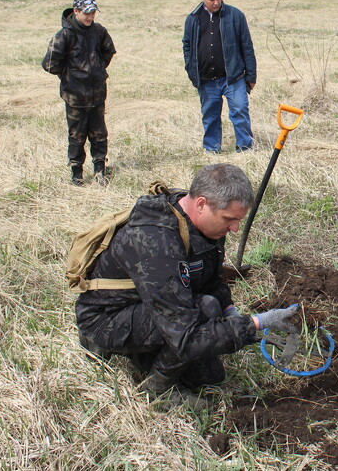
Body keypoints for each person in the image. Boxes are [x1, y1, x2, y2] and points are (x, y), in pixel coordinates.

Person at [75, 163, 297, 407]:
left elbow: (209, 279)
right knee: (205, 310)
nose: (234, 229)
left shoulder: (202, 223)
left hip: (153, 303)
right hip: (107, 317)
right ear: (201, 204)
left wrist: (230, 312)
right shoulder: (156, 242)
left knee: (208, 378)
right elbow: (185, 336)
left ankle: (145, 354)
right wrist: (256, 323)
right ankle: (157, 389)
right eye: (229, 220)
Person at [42, 0, 116, 186]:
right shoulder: (64, 35)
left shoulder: (99, 31)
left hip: (97, 94)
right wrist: (70, 76)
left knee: (99, 134)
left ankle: (100, 170)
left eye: (93, 13)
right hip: (75, 97)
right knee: (77, 135)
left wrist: (97, 68)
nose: (90, 17)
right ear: (75, 11)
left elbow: (109, 50)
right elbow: (49, 64)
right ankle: (77, 174)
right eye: (86, 13)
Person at [182, 0, 257, 153]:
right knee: (210, 117)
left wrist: (251, 76)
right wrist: (192, 71)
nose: (216, 3)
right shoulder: (192, 19)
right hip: (206, 79)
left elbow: (247, 46)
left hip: (233, 77)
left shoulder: (235, 16)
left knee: (240, 113)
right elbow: (187, 45)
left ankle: (245, 148)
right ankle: (211, 149)